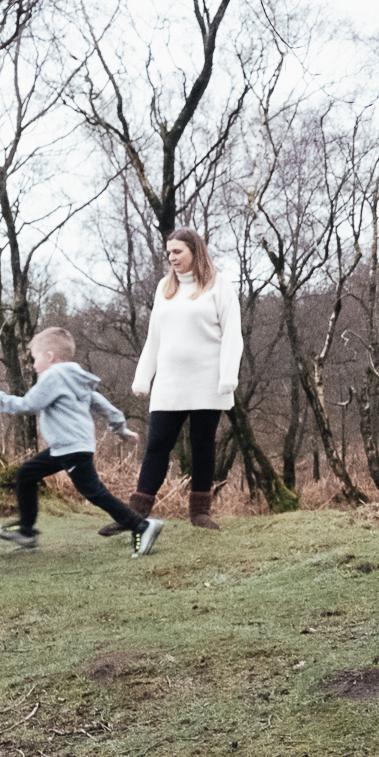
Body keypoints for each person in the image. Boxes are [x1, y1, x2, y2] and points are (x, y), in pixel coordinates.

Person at [102, 227, 243, 534]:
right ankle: (134, 516)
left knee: (202, 445)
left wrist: (228, 377)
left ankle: (200, 514)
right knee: (157, 445)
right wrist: (143, 378)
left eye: (178, 251)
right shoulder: (165, 287)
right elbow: (155, 337)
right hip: (169, 382)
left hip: (208, 381)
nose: (172, 258)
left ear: (195, 251)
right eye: (169, 253)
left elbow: (233, 334)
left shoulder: (219, 287)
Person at [0, 327, 165, 556]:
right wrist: (120, 427)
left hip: (71, 447)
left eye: (35, 358)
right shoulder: (74, 378)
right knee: (27, 473)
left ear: (49, 356)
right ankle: (26, 531)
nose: (34, 364)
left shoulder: (53, 376)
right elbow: (101, 403)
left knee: (94, 492)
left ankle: (141, 526)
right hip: (65, 447)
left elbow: (27, 404)